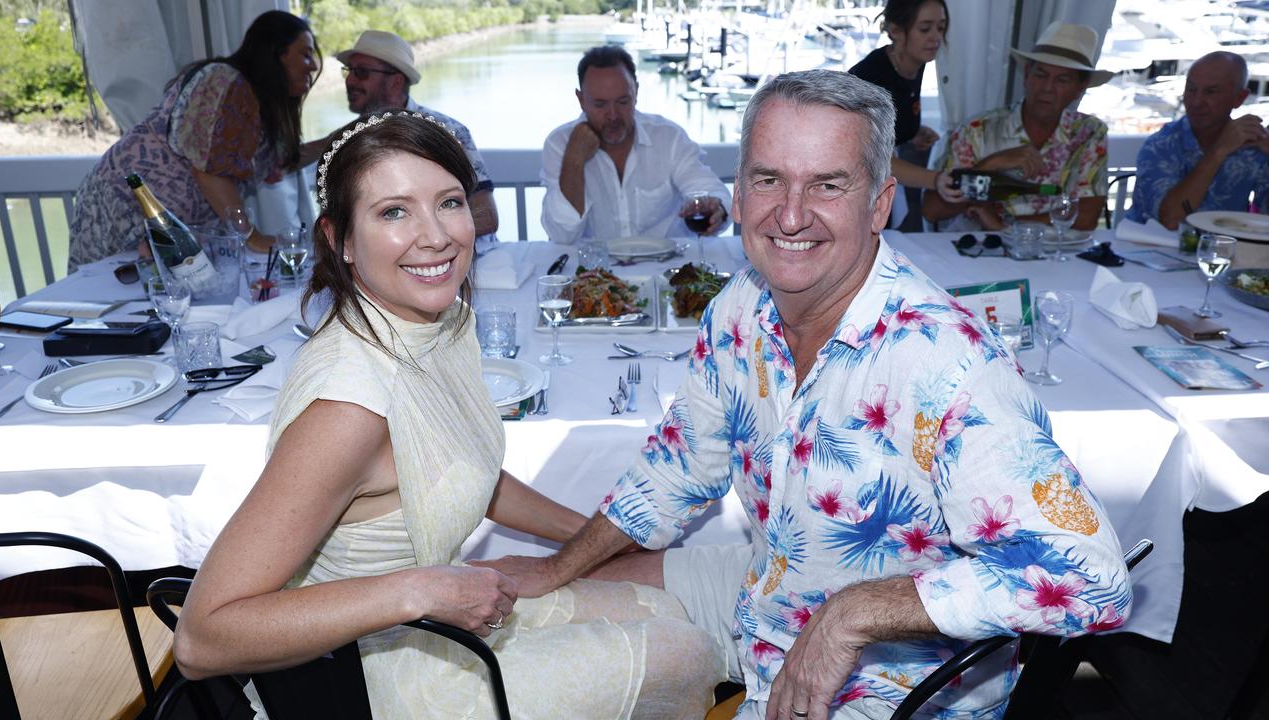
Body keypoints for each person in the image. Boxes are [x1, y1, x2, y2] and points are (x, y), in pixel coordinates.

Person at [482, 69, 1131, 719]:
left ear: (878, 204)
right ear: (738, 195)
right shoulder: (740, 309)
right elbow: (674, 472)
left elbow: (1092, 579)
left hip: (900, 684)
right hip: (774, 581)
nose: (790, 215)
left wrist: (853, 614)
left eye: (827, 184)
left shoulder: (947, 364)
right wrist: (556, 567)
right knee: (533, 601)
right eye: (769, 179)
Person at [172, 112, 724, 719]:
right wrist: (419, 589)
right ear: (340, 240)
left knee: (668, 611)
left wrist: (591, 543)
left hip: (435, 610)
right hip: (382, 670)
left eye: (449, 202)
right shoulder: (347, 410)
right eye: (393, 212)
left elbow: (458, 465)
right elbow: (201, 641)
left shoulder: (438, 325)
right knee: (685, 651)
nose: (435, 236)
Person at [68, 11, 323, 270]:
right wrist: (252, 237)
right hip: (127, 209)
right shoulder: (222, 81)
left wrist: (343, 137)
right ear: (276, 53)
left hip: (175, 234)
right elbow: (210, 172)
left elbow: (279, 161)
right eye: (305, 53)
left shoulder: (256, 105)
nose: (313, 65)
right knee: (105, 298)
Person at [922, 22, 1113, 232]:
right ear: (1027, 75)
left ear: (1079, 89)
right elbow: (933, 210)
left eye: (1062, 79)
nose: (1047, 88)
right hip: (978, 255)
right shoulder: (976, 130)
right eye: (1041, 74)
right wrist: (988, 167)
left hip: (1053, 257)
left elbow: (1087, 219)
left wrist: (1005, 227)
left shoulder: (1089, 133)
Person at [540, 45, 731, 245]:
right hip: (594, 273)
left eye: (623, 101)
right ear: (581, 100)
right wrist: (574, 159)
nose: (613, 115)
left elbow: (708, 189)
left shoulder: (668, 137)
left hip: (668, 271)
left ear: (636, 92)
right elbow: (562, 235)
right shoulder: (560, 143)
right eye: (600, 104)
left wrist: (716, 207)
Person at [336, 30, 500, 244]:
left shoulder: (446, 131)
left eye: (361, 72)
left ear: (395, 82)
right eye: (348, 71)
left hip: (465, 266)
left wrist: (413, 238)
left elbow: (486, 217)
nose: (349, 80)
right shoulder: (350, 140)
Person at [1126, 51, 1269, 229]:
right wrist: (1218, 152)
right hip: (1148, 251)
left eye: (1211, 92)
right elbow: (1171, 220)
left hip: (1222, 252)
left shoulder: (1251, 147)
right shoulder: (1161, 145)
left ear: (1239, 98)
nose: (1196, 101)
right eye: (1191, 89)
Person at [848, 0, 961, 221]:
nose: (936, 37)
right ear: (896, 31)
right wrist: (936, 180)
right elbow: (876, 157)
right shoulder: (871, 79)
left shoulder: (912, 62)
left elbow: (891, 119)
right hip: (857, 196)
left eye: (941, 27)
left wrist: (912, 130)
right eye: (925, 28)